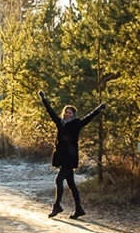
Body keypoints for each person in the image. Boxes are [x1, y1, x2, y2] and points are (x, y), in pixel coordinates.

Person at [38, 90, 105, 219]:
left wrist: (98, 109)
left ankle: (57, 206)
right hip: (62, 157)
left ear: (73, 114)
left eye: (70, 113)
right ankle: (79, 209)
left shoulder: (76, 124)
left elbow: (89, 118)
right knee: (71, 184)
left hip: (70, 157)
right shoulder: (60, 123)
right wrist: (44, 99)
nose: (68, 115)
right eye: (66, 112)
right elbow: (50, 111)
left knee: (58, 180)